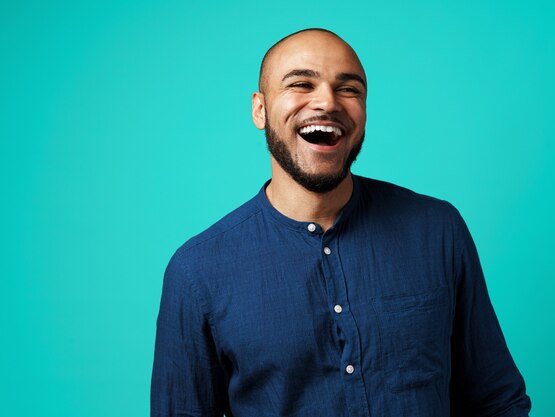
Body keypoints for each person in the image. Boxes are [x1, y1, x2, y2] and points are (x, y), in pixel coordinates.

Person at [151, 28, 531, 417]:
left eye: (349, 89)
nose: (328, 102)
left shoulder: (437, 231)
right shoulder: (196, 272)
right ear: (259, 109)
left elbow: (497, 402)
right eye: (301, 83)